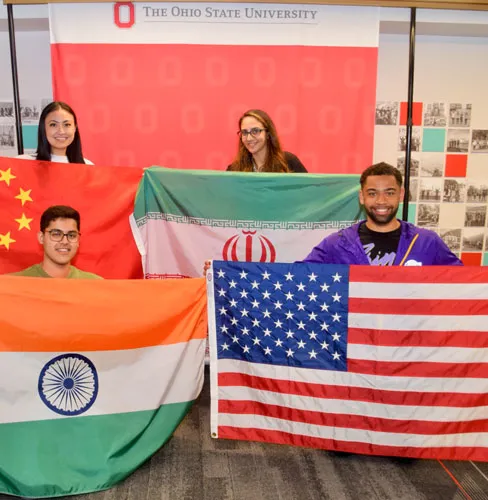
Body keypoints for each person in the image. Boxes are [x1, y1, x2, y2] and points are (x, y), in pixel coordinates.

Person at [304, 162, 462, 266]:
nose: (381, 201)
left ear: (401, 195)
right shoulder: (336, 244)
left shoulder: (427, 242)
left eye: (389, 193)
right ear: (361, 197)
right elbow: (299, 277)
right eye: (372, 193)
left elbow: (463, 283)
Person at [10, 205, 102, 279]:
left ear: (78, 240)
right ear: (41, 237)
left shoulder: (95, 284)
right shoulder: (14, 284)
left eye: (71, 235)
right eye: (56, 234)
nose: (65, 241)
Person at [227, 109, 307, 173]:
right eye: (244, 132)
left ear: (268, 133)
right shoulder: (234, 170)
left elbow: (308, 191)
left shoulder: (288, 162)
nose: (249, 138)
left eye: (255, 131)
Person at [16, 101, 93, 164]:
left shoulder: (88, 167)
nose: (61, 131)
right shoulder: (23, 163)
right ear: (43, 128)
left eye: (67, 124)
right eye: (53, 125)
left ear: (75, 128)